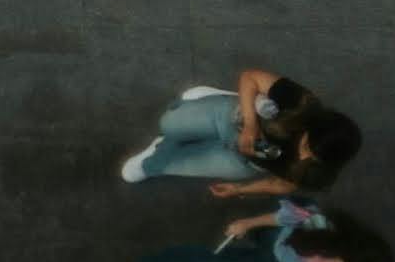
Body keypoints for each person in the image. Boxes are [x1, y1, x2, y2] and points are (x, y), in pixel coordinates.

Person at [120, 69, 360, 194]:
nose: (304, 158)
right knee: (168, 124)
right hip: (236, 119)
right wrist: (251, 125)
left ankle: (155, 159)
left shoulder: (317, 172)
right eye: (307, 147)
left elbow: (283, 185)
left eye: (313, 159)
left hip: (246, 162)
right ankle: (222, 99)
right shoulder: (302, 104)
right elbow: (250, 76)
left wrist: (239, 190)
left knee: (174, 164)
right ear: (311, 125)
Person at [132, 198, 392, 262]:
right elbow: (287, 216)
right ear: (341, 250)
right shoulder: (320, 227)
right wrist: (248, 223)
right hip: (273, 255)